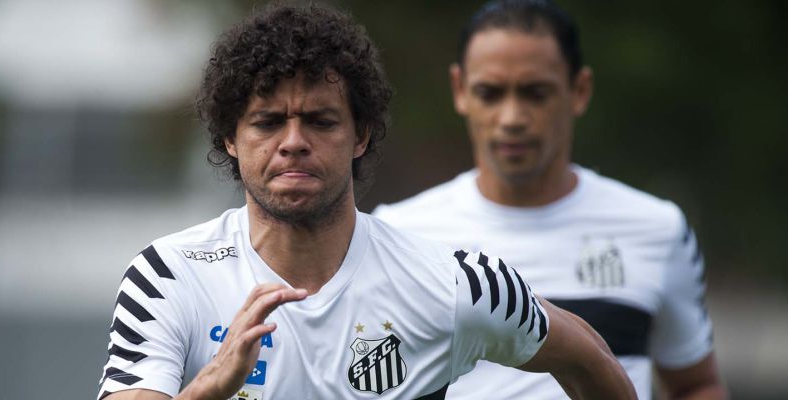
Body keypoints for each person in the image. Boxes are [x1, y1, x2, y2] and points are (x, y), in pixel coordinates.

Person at [97, 3, 636, 400]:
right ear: (230, 140)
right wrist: (211, 386)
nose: (293, 141)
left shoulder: (455, 284)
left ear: (361, 136)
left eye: (320, 120)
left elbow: (589, 356)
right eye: (267, 122)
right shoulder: (168, 276)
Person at [373, 0, 728, 399]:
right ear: (460, 91)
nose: (511, 117)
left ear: (579, 90)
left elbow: (695, 384)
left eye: (535, 93)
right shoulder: (395, 234)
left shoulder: (657, 229)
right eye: (490, 93)